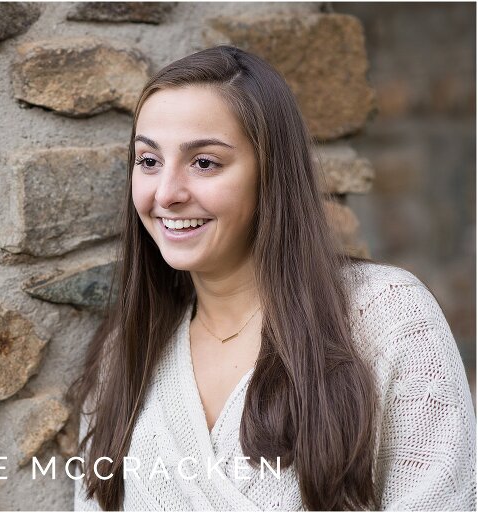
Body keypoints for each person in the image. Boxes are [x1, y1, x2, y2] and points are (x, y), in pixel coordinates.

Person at [65, 45, 476, 511]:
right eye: (149, 161)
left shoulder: (387, 318)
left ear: (271, 174)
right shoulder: (128, 351)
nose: (167, 193)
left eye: (204, 163)